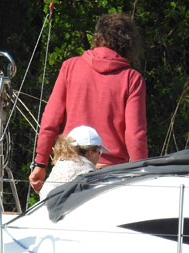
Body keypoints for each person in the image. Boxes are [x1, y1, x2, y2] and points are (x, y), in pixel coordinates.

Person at [29, 13, 147, 194]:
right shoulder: (131, 79)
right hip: (110, 172)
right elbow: (135, 135)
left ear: (98, 37)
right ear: (129, 43)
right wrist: (141, 173)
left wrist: (40, 162)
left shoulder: (70, 67)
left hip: (68, 168)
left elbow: (50, 120)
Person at [39, 125, 106, 200]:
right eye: (99, 152)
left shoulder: (60, 165)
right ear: (90, 153)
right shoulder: (88, 175)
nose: (100, 156)